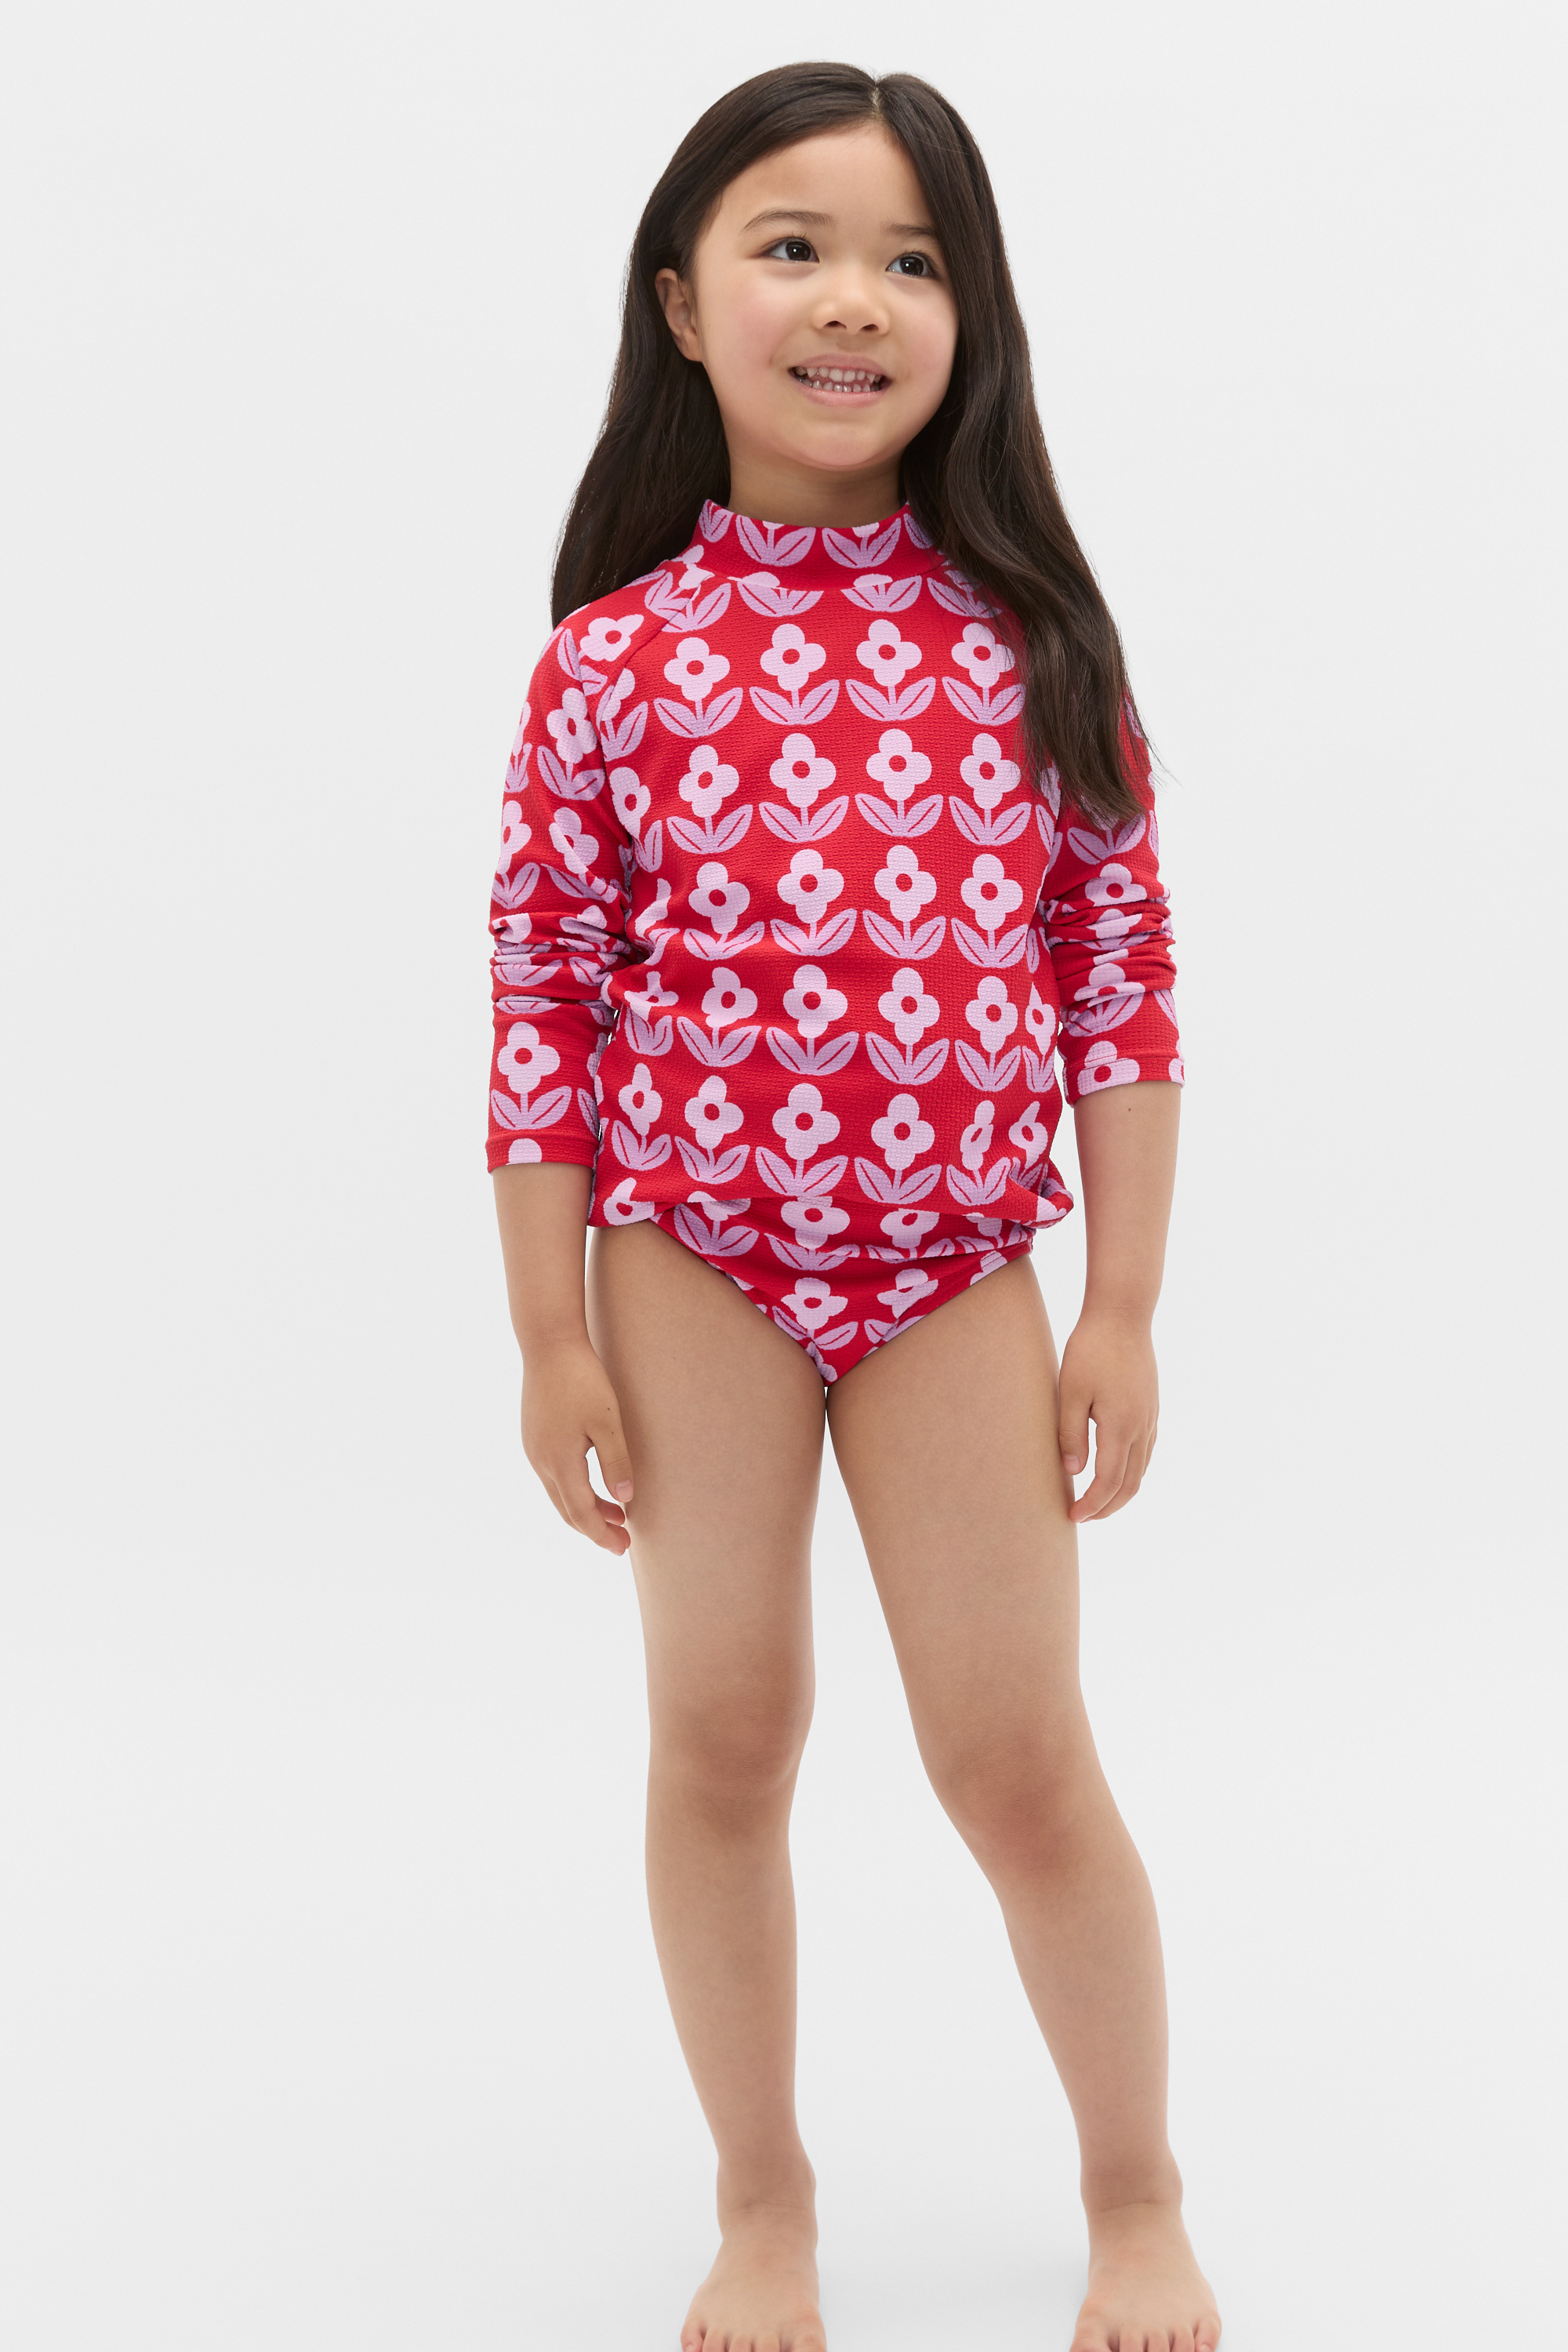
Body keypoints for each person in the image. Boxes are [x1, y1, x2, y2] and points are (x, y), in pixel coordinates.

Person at [487, 60, 1220, 2352]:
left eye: (913, 260)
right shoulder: (608, 663)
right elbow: (546, 1000)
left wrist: (1119, 1305)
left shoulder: (1031, 644)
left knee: (1016, 1756)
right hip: (686, 1262)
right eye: (792, 247)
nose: (853, 300)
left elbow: (1118, 980)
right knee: (722, 1734)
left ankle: (1135, 2185)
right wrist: (549, 1331)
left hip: (953, 1272)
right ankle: (762, 2192)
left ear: (969, 317)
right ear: (679, 304)